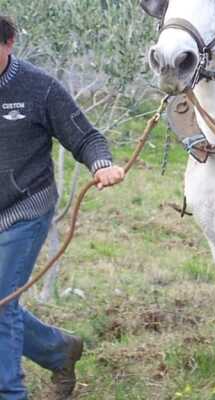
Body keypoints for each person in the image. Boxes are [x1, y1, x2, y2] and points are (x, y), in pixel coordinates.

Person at [0, 15, 125, 400]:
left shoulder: (39, 88)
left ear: (10, 43)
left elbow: (85, 136)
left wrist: (102, 165)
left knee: (0, 305)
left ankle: (10, 392)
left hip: (25, 208)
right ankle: (59, 350)